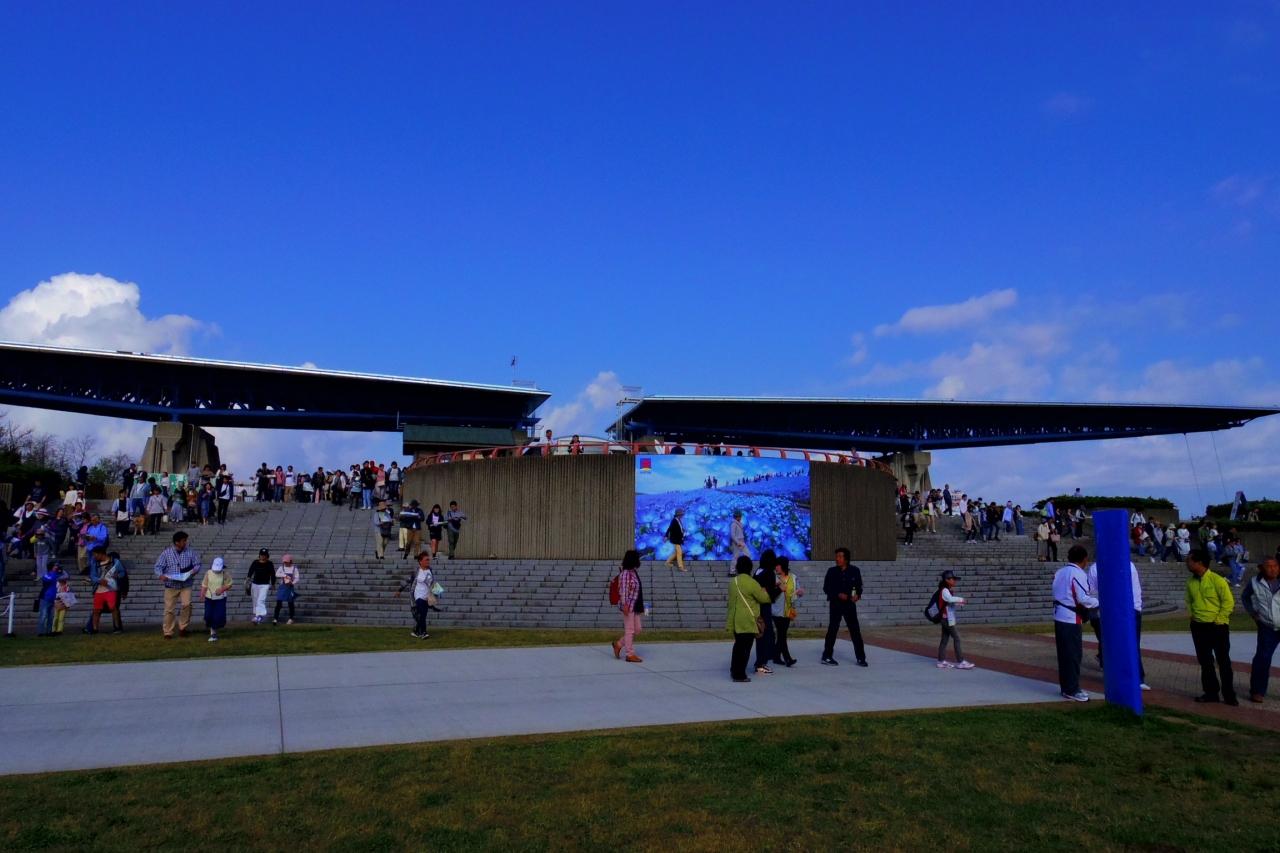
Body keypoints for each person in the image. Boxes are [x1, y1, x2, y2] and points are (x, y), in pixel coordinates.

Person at [1085, 559, 1150, 690]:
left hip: (1129, 609)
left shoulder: (1128, 565)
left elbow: (1134, 590)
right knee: (1112, 643)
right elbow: (1091, 591)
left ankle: (1136, 677)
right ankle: (1118, 674)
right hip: (1110, 611)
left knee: (1131, 644)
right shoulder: (1097, 568)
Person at [1185, 549, 1237, 705]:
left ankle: (1229, 695)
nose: (1187, 563)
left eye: (1189, 560)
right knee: (1205, 661)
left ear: (1199, 562)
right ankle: (1211, 692)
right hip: (1198, 626)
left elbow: (1228, 602)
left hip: (1217, 626)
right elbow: (1189, 601)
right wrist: (1193, 615)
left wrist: (1220, 620)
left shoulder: (1217, 580)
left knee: (1223, 661)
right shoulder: (1190, 582)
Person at [1052, 545, 1098, 702]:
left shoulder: (1060, 572)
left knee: (1065, 655)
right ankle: (1072, 688)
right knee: (1073, 655)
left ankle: (1067, 687)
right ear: (1084, 559)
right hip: (1070, 618)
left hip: (1060, 615)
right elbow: (1083, 598)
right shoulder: (1077, 573)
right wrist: (1100, 601)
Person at [821, 547, 868, 667]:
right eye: (836, 556)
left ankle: (861, 658)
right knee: (832, 629)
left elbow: (859, 587)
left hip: (849, 605)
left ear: (846, 558)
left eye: (840, 556)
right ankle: (826, 656)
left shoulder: (855, 571)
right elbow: (826, 588)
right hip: (836, 604)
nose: (837, 559)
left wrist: (858, 595)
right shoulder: (831, 571)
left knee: (855, 631)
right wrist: (837, 594)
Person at [726, 556, 770, 682]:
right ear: (750, 568)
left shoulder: (733, 582)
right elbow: (763, 599)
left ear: (738, 567)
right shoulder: (752, 583)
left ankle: (734, 670)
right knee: (745, 649)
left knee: (737, 646)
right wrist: (765, 591)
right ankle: (739, 674)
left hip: (736, 619)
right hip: (748, 620)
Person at [1242, 557, 1280, 703]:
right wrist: (1253, 613)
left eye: (1275, 566)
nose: (1273, 569)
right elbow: (1245, 598)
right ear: (1261, 568)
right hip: (1267, 627)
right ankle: (1257, 691)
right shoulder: (1254, 582)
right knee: (1262, 659)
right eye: (1268, 566)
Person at [153, 531, 202, 639]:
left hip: (186, 584)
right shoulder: (166, 553)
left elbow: (198, 564)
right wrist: (160, 575)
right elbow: (158, 566)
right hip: (171, 585)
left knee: (187, 605)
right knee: (169, 609)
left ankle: (183, 628)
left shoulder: (190, 552)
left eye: (186, 540)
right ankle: (168, 632)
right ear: (177, 542)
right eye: (184, 541)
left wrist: (195, 570)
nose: (185, 543)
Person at [935, 570, 976, 669]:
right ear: (947, 580)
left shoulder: (945, 590)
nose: (954, 581)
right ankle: (961, 661)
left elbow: (948, 602)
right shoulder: (944, 590)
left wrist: (958, 603)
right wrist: (961, 599)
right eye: (953, 579)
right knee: (956, 638)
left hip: (946, 618)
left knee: (944, 639)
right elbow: (949, 599)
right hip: (946, 619)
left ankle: (941, 661)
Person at [611, 549, 645, 663]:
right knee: (630, 630)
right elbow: (623, 591)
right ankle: (630, 654)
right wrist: (625, 605)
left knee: (638, 629)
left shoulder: (633, 572)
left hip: (635, 605)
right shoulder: (625, 573)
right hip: (628, 605)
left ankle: (618, 644)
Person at [751, 550, 781, 675]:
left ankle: (761, 661)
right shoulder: (769, 573)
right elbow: (769, 594)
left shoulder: (758, 571)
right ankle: (761, 663)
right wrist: (779, 589)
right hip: (765, 607)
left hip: (756, 607)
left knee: (760, 634)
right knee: (766, 634)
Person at [396, 552, 435, 639]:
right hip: (418, 597)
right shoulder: (416, 572)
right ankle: (423, 633)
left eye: (428, 559)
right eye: (426, 560)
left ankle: (416, 631)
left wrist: (439, 593)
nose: (428, 561)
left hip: (426, 598)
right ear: (420, 561)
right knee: (422, 614)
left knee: (422, 615)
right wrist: (399, 590)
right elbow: (408, 581)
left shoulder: (430, 570)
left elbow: (432, 583)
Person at [771, 556, 801, 667]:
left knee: (781, 635)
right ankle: (787, 658)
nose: (776, 567)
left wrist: (799, 592)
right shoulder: (774, 578)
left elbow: (797, 590)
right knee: (782, 635)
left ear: (783, 565)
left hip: (788, 611)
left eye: (777, 565)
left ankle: (776, 656)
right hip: (776, 611)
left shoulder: (793, 577)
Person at [201, 557, 232, 642]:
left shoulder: (225, 574)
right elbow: (204, 584)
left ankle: (213, 633)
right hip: (209, 597)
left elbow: (229, 584)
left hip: (220, 598)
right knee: (208, 615)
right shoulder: (208, 573)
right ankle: (211, 625)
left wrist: (222, 589)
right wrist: (202, 594)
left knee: (218, 615)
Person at [246, 549, 275, 624]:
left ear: (267, 556)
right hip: (255, 584)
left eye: (264, 555)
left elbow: (273, 574)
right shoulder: (255, 562)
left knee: (261, 600)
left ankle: (260, 616)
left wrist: (273, 583)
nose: (263, 556)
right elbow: (251, 570)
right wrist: (248, 578)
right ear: (259, 555)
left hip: (264, 585)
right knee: (255, 600)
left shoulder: (269, 564)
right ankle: (257, 616)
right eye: (261, 555)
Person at [274, 554, 300, 625]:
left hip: (290, 587)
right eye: (284, 562)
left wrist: (293, 583)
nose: (285, 563)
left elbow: (297, 578)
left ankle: (291, 618)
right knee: (279, 602)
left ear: (290, 561)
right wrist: (284, 575)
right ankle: (275, 618)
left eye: (287, 562)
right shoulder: (281, 568)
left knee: (290, 603)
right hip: (282, 587)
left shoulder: (294, 568)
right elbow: (276, 574)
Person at [36, 560, 60, 636]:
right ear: (51, 567)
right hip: (45, 597)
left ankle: (49, 631)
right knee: (43, 616)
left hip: (53, 598)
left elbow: (66, 575)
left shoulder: (56, 574)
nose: (57, 567)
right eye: (55, 566)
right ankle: (41, 632)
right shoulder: (49, 575)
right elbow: (46, 579)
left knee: (51, 616)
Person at [728, 510, 748, 576]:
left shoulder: (739, 523)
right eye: (740, 516)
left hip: (741, 542)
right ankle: (732, 571)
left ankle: (745, 569)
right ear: (737, 517)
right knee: (736, 557)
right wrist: (737, 542)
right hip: (737, 543)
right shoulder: (733, 524)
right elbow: (732, 535)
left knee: (748, 555)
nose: (741, 517)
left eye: (741, 516)